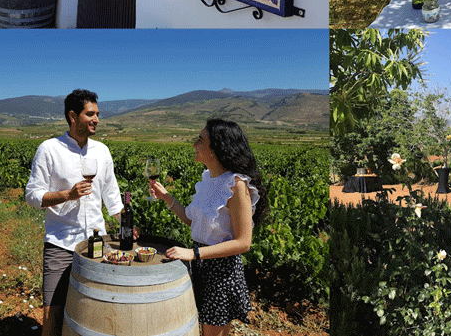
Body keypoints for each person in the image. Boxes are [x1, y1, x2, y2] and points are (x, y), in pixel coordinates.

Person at [25, 89, 137, 336]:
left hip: (97, 243)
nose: (97, 119)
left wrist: (125, 225)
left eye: (98, 114)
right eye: (90, 114)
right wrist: (68, 195)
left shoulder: (102, 151)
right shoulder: (49, 149)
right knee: (51, 314)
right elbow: (32, 196)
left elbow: (112, 196)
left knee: (96, 312)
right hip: (61, 243)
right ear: (73, 116)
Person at [149, 118, 269, 336]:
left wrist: (193, 253)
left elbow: (243, 243)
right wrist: (166, 197)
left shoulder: (236, 184)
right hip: (201, 267)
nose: (194, 144)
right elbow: (192, 220)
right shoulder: (208, 178)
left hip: (220, 273)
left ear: (216, 149)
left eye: (200, 140)